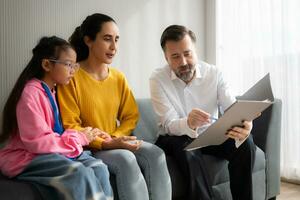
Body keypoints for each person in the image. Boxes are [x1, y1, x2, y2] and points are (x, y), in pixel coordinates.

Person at [57, 13, 171, 200]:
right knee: (126, 160)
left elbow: (130, 116)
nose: (114, 47)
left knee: (156, 154)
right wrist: (105, 142)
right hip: (89, 149)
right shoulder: (72, 78)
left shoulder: (118, 78)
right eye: (107, 39)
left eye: (116, 40)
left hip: (115, 142)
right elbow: (71, 125)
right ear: (88, 40)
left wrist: (116, 138)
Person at [149, 25, 257, 200]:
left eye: (187, 53)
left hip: (210, 134)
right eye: (175, 56)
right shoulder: (157, 79)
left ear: (195, 51)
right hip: (174, 138)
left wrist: (245, 123)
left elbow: (231, 107)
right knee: (186, 148)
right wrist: (188, 123)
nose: (183, 62)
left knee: (244, 143)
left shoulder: (214, 73)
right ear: (166, 58)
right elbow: (168, 124)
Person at [0, 36, 113, 200]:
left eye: (75, 65)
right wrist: (79, 137)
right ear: (47, 64)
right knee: (80, 174)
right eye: (68, 65)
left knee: (99, 167)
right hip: (26, 157)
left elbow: (56, 132)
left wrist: (88, 134)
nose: (73, 70)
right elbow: (37, 142)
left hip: (48, 152)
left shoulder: (52, 91)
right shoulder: (30, 94)